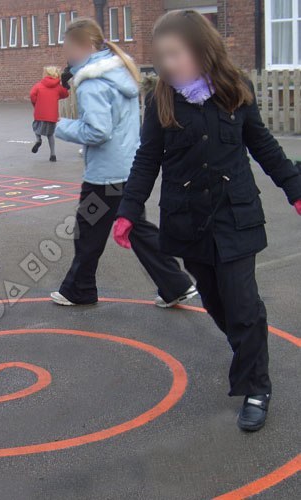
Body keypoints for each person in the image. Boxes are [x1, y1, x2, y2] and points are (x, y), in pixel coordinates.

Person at [113, 10, 301, 431]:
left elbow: (264, 147)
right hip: (187, 220)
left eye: (174, 53)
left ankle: (257, 386)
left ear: (201, 49)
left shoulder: (236, 90)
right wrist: (128, 210)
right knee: (216, 302)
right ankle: (246, 351)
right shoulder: (160, 97)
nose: (167, 63)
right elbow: (147, 159)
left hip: (236, 216)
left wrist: (296, 189)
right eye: (161, 56)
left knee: (244, 304)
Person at [51, 18, 196, 308]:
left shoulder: (93, 82)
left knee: (89, 232)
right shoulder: (120, 73)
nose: (67, 56)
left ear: (87, 46)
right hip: (127, 167)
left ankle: (79, 288)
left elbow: (98, 130)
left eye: (69, 49)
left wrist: (58, 125)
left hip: (105, 176)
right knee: (134, 227)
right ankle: (175, 284)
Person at [30, 66, 69, 162]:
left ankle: (38, 139)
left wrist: (36, 104)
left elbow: (32, 95)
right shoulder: (58, 87)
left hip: (40, 112)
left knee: (36, 127)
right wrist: (64, 86)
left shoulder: (38, 85)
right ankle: (53, 154)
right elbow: (65, 94)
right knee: (50, 134)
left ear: (46, 74)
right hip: (52, 115)